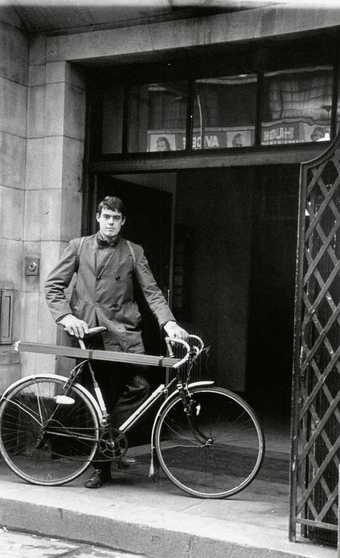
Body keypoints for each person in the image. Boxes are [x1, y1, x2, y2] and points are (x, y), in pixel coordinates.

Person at [45, 195, 187, 488]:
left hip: (123, 334)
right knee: (100, 400)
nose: (110, 223)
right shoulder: (78, 246)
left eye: (116, 218)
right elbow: (53, 286)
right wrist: (65, 317)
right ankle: (101, 467)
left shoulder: (134, 252)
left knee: (141, 389)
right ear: (98, 217)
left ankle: (113, 440)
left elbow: (152, 292)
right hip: (91, 334)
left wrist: (169, 322)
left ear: (123, 222)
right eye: (106, 217)